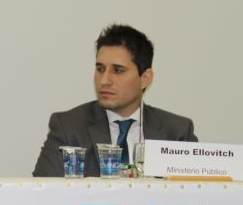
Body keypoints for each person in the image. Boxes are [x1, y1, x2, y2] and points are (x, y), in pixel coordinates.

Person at [33, 24, 197, 177]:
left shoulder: (177, 133)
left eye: (118, 70)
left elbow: (196, 192)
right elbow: (42, 191)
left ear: (145, 78)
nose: (104, 80)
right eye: (100, 69)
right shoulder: (68, 128)